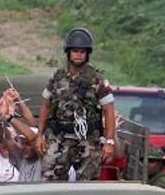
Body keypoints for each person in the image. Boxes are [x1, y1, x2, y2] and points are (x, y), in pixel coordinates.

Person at [35, 27, 115, 181]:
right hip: (59, 138)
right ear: (68, 52)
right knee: (49, 181)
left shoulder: (96, 80)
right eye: (75, 51)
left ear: (87, 54)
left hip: (87, 140)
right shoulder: (57, 77)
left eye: (82, 51)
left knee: (86, 187)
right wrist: (40, 135)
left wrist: (109, 141)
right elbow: (46, 105)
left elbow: (109, 110)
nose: (79, 54)